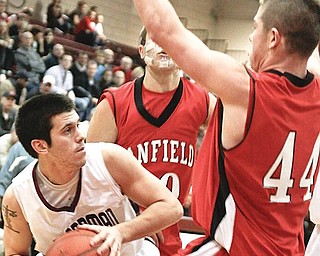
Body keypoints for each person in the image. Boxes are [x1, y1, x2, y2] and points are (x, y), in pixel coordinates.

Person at [132, 0, 320, 255]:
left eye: (256, 27)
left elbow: (163, 30)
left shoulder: (246, 90)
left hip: (238, 248)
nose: (251, 36)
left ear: (273, 38)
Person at [2, 93, 183, 255]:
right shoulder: (18, 196)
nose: (80, 136)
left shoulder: (108, 158)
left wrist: (122, 231)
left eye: (78, 125)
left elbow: (172, 207)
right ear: (40, 146)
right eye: (68, 130)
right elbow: (15, 252)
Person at [86, 26, 214, 255]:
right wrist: (131, 220)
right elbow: (90, 178)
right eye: (156, 40)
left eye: (170, 39)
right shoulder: (114, 102)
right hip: (125, 231)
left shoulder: (202, 100)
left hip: (171, 229)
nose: (164, 45)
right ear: (142, 51)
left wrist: (202, 184)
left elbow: (234, 145)